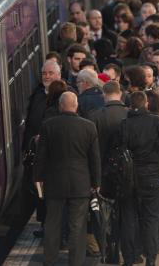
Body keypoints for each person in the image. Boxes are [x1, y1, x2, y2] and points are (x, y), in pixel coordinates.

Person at [34, 92, 101, 266]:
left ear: (60, 106)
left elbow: (40, 157)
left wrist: (38, 180)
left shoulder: (48, 126)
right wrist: (96, 183)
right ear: (76, 106)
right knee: (77, 226)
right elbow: (95, 159)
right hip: (81, 183)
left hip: (54, 183)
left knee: (52, 223)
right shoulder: (89, 127)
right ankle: (76, 262)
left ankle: (49, 260)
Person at [120, 91, 159, 266]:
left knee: (129, 217)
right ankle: (151, 259)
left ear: (129, 105)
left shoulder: (124, 124)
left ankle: (129, 257)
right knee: (152, 218)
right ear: (146, 104)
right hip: (151, 175)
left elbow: (120, 151)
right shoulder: (158, 122)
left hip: (129, 176)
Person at [88, 81, 128, 163]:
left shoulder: (95, 116)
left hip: (103, 163)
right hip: (128, 164)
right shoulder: (130, 114)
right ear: (120, 93)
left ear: (103, 94)